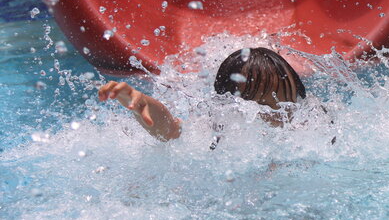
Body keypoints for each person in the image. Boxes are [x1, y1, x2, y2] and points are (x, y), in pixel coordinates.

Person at [98, 47, 306, 141]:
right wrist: (143, 102)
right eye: (262, 106)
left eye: (287, 103)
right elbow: (170, 130)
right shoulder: (216, 134)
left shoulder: (312, 131)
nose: (277, 116)